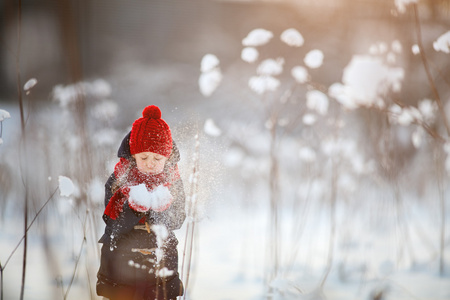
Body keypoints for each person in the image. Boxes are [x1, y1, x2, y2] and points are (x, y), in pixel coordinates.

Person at [96, 105, 186, 300]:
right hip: (121, 268)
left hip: (161, 266)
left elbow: (178, 219)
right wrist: (133, 208)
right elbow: (112, 223)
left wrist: (162, 209)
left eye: (157, 158)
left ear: (167, 158)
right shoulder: (119, 180)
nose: (151, 163)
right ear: (133, 155)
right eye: (144, 157)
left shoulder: (173, 183)